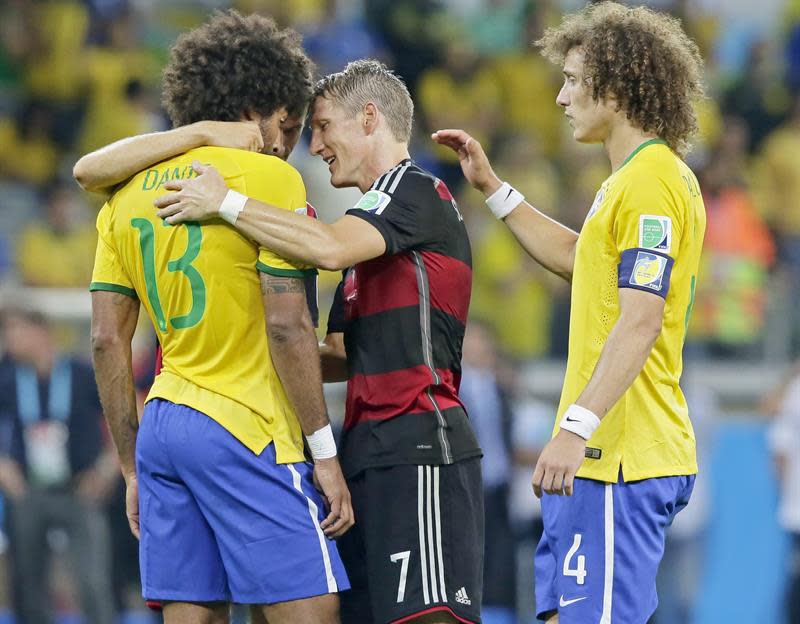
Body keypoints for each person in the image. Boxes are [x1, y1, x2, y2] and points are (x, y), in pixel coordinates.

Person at [129, 59, 484, 624]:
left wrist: (227, 203)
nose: (312, 146)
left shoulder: (417, 191)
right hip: (366, 446)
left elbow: (324, 248)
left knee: (428, 616)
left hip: (421, 441)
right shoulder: (368, 227)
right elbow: (339, 355)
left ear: (369, 118)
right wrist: (225, 352)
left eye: (321, 126)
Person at [432, 2, 706, 622]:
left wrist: (576, 430)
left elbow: (641, 318)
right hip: (599, 454)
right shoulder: (631, 180)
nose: (559, 97)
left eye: (575, 80)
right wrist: (494, 190)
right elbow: (582, 260)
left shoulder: (651, 183)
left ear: (617, 85)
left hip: (619, 455)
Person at [83, 12, 351, 624]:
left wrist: (130, 467)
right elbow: (287, 326)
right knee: (310, 612)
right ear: (258, 106)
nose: (288, 143)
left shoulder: (124, 195)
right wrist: (324, 453)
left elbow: (105, 342)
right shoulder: (271, 180)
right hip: (248, 427)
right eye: (286, 124)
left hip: (165, 428)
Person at [0, 306, 117, 624]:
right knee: (29, 586)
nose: (9, 339)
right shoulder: (9, 380)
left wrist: (107, 468)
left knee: (91, 580)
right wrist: (4, 467)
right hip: (30, 492)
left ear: (41, 333)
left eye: (16, 331)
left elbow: (120, 415)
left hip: (79, 489)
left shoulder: (80, 373)